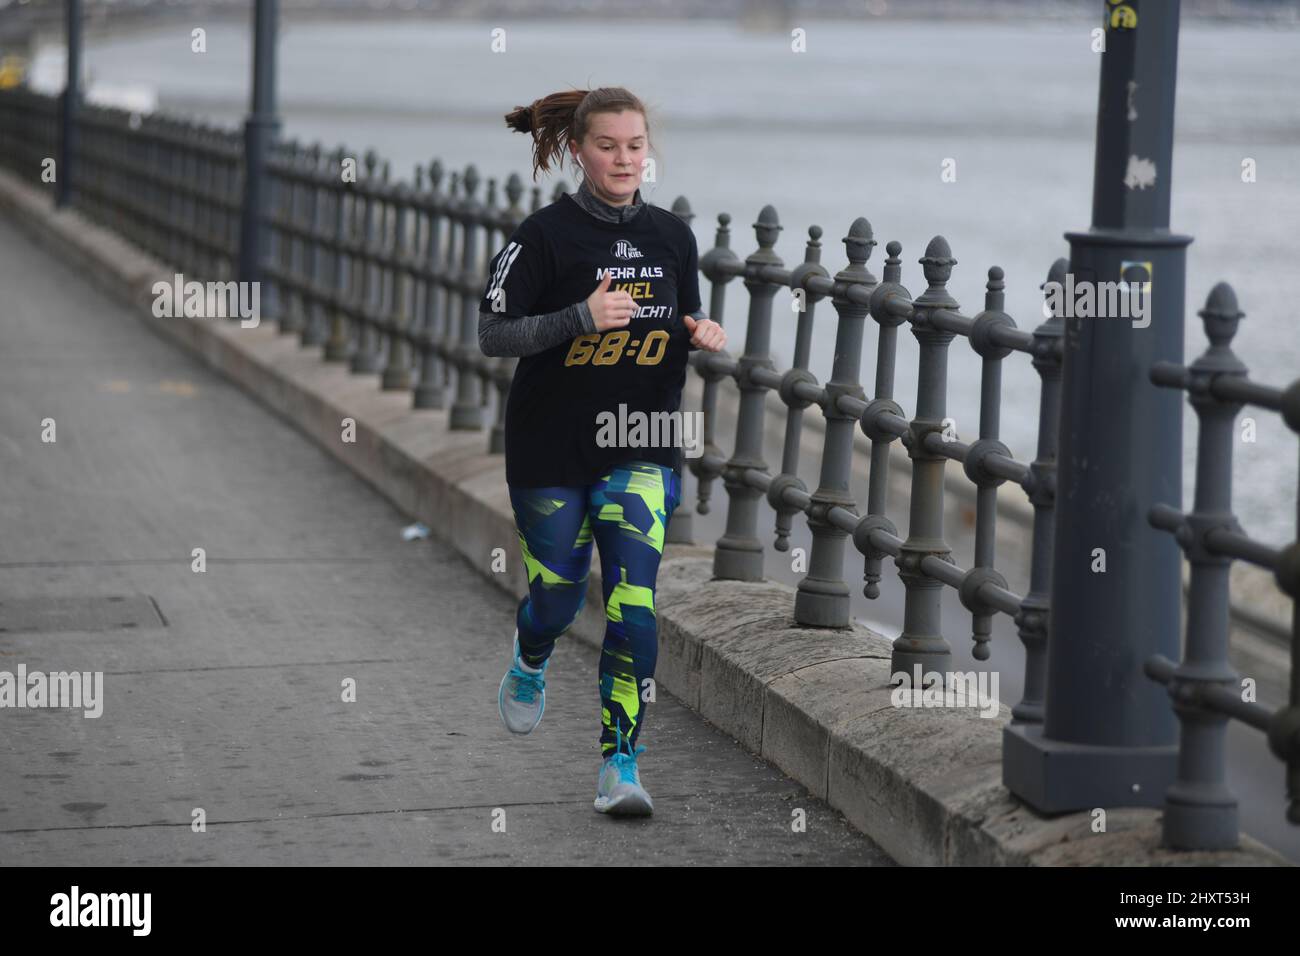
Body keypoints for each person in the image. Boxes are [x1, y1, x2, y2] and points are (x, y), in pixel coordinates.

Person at [478, 86, 726, 816]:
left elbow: (684, 308)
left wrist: (700, 328)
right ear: (580, 150)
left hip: (642, 442)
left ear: (650, 152)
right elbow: (493, 336)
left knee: (635, 606)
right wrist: (580, 318)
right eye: (608, 146)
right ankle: (531, 656)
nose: (624, 159)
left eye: (636, 145)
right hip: (550, 447)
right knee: (555, 599)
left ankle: (620, 764)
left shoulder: (672, 235)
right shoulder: (542, 236)